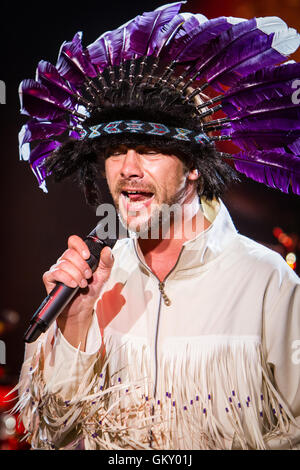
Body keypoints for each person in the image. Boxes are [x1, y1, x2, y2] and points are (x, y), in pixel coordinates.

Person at [15, 3, 300, 450]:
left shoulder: (268, 281)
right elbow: (53, 435)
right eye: (114, 150)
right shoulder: (89, 283)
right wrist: (74, 323)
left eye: (149, 149)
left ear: (192, 167)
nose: (127, 167)